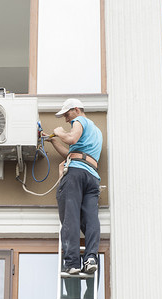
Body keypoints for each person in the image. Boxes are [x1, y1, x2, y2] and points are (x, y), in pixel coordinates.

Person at [46, 98, 103, 275]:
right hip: (92, 177)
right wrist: (53, 141)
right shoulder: (96, 130)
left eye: (67, 114)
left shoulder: (80, 121)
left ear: (77, 109)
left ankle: (72, 263)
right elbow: (72, 153)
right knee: (91, 218)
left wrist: (59, 132)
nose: (66, 119)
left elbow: (71, 138)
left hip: (75, 174)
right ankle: (90, 258)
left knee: (70, 217)